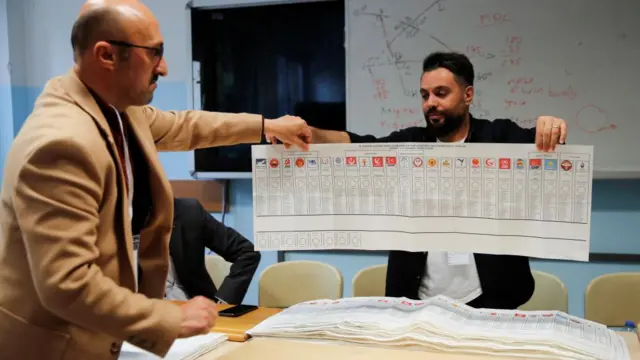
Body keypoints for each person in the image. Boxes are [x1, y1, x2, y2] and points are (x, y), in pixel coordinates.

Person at [0, 1, 311, 359]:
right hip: (55, 346)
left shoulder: (116, 109)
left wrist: (266, 126)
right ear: (106, 55)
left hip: (98, 335)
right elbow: (67, 284)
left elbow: (187, 126)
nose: (163, 68)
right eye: (154, 53)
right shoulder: (61, 145)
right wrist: (168, 316)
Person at [300, 51, 569, 310]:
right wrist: (306, 133)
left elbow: (549, 148)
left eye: (441, 93)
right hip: (418, 300)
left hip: (491, 300)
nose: (430, 103)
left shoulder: (498, 136)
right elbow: (356, 145)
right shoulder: (411, 143)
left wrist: (551, 127)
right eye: (425, 95)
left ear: (468, 94)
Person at [166, 198, 261, 305]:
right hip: (150, 316)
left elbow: (247, 252)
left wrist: (224, 302)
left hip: (197, 311)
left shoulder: (187, 211)